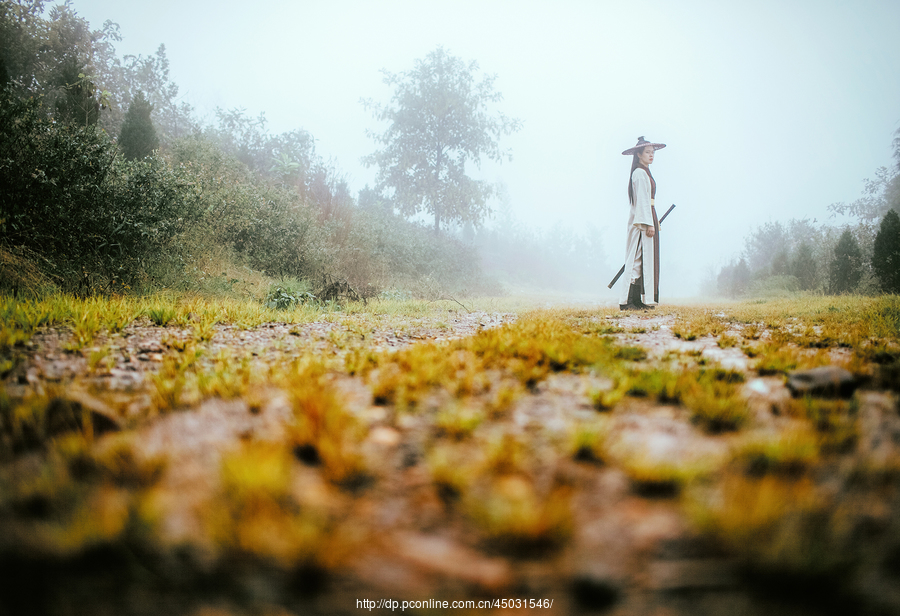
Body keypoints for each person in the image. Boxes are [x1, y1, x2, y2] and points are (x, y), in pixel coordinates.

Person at [619, 136, 666, 310]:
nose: (651, 155)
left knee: (644, 259)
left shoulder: (645, 172)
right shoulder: (639, 173)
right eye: (648, 152)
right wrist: (648, 224)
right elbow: (642, 202)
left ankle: (638, 300)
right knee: (637, 259)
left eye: (653, 152)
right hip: (642, 221)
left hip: (647, 217)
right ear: (639, 154)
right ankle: (628, 301)